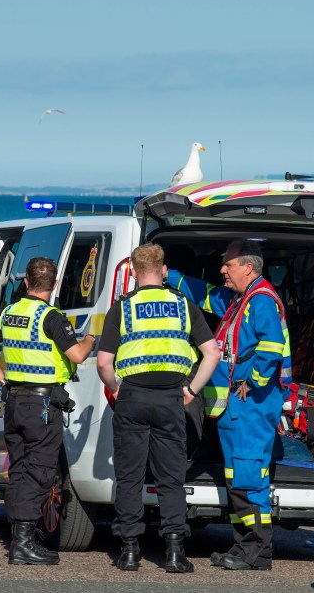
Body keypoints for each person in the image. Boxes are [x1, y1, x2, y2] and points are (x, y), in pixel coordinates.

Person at [166, 239, 292, 571]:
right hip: (236, 410)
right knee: (237, 477)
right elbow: (204, 294)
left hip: (250, 406)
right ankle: (243, 547)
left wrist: (254, 382)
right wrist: (171, 275)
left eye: (228, 264)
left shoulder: (260, 301)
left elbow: (272, 346)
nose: (222, 269)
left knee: (248, 478)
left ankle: (257, 550)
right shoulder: (240, 299)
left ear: (248, 267)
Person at [96, 243, 219, 573]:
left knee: (130, 478)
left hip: (132, 397)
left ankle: (129, 551)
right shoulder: (183, 305)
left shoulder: (122, 308)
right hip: (170, 399)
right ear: (164, 271)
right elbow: (212, 352)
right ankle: (176, 552)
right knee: (171, 480)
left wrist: (116, 388)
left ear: (134, 273)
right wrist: (191, 389)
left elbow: (104, 363)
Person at [0, 256, 96, 565]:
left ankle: (19, 537)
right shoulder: (51, 317)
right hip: (43, 405)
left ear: (26, 282)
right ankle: (24, 543)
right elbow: (79, 354)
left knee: (18, 469)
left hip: (14, 400)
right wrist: (92, 335)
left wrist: (2, 379)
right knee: (40, 472)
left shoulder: (8, 312)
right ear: (54, 285)